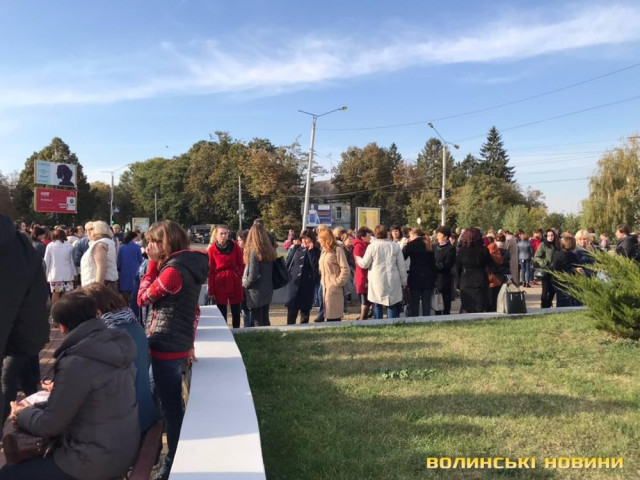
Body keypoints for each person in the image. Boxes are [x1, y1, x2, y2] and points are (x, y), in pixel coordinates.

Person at [0, 293, 138, 480]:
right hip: (121, 449)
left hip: (93, 461)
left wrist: (22, 414)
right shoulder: (115, 343)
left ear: (63, 327)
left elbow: (50, 425)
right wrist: (33, 409)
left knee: (8, 474)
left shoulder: (77, 360)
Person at [137, 220, 208, 480]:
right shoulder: (186, 265)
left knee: (170, 409)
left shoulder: (172, 271)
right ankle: (158, 454)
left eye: (153, 242)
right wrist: (189, 343)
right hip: (175, 344)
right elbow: (194, 311)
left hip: (166, 345)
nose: (148, 247)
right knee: (161, 400)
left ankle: (171, 464)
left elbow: (142, 298)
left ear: (165, 243)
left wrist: (151, 265)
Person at [80, 283, 160, 433]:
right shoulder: (134, 325)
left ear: (96, 311)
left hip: (128, 421)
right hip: (146, 412)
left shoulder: (108, 336)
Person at [0, 216, 50, 428]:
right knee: (12, 378)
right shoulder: (22, 247)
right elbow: (36, 301)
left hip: (20, 335)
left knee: (9, 378)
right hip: (23, 336)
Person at [356, 225, 407, 319]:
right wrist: (404, 281)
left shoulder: (372, 246)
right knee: (391, 302)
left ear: (375, 234)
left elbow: (365, 264)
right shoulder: (395, 246)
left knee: (377, 302)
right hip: (392, 277)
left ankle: (377, 323)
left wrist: (358, 258)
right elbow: (401, 266)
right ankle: (392, 323)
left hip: (377, 279)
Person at [207, 224, 244, 328]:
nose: (224, 236)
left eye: (226, 233)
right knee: (222, 309)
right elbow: (211, 272)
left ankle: (237, 330)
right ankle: (223, 330)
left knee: (236, 309)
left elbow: (241, 264)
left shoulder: (235, 246)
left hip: (234, 279)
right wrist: (211, 291)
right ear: (216, 235)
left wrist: (238, 275)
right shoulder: (212, 250)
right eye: (221, 233)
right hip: (220, 281)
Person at [284, 229, 320, 324]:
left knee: (305, 313)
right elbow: (288, 263)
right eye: (303, 238)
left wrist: (311, 252)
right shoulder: (296, 248)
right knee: (291, 313)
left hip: (307, 285)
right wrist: (294, 248)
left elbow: (315, 267)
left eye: (307, 238)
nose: (304, 240)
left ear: (312, 239)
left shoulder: (316, 251)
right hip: (293, 284)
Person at [455, 227, 494, 313]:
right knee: (480, 307)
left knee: (467, 307)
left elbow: (457, 268)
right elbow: (492, 265)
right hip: (481, 281)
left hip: (466, 282)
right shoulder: (484, 250)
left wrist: (458, 282)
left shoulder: (462, 251)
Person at [317, 226, 350, 322]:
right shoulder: (324, 251)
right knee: (327, 315)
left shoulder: (337, 250)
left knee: (334, 317)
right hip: (325, 287)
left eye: (320, 238)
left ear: (326, 239)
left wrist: (338, 282)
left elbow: (345, 268)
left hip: (334, 287)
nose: (318, 240)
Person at [402, 228, 436, 317]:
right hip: (428, 276)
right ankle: (426, 319)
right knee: (426, 302)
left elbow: (402, 256)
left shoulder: (411, 245)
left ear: (414, 235)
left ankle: (415, 319)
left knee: (415, 302)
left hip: (415, 276)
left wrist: (405, 245)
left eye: (410, 236)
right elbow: (433, 263)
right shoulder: (428, 244)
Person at [80, 220, 118, 289]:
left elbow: (101, 268)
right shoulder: (108, 243)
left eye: (91, 229)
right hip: (108, 283)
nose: (88, 232)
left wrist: (97, 288)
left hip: (97, 284)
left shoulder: (99, 245)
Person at [44, 228, 77, 306]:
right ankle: (68, 310)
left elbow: (47, 261)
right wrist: (75, 273)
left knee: (55, 294)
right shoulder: (69, 245)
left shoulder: (50, 246)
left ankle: (54, 311)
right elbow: (72, 261)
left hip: (55, 274)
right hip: (68, 274)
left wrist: (45, 274)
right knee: (68, 295)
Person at [534, 229, 560, 308]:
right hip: (546, 271)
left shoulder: (557, 245)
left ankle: (548, 304)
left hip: (555, 271)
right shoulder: (543, 244)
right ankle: (544, 306)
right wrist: (545, 262)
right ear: (546, 236)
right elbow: (536, 257)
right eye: (548, 235)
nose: (550, 237)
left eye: (552, 235)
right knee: (545, 290)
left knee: (553, 290)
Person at [434, 226, 456, 315]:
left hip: (444, 278)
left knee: (445, 299)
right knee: (436, 300)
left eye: (439, 235)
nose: (437, 237)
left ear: (445, 236)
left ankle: (446, 315)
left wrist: (435, 266)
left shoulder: (450, 248)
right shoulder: (435, 247)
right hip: (435, 277)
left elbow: (448, 263)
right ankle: (437, 315)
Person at [552, 236, 579, 307]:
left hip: (558, 281)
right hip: (563, 281)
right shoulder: (566, 255)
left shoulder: (561, 253)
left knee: (562, 300)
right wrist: (574, 270)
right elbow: (563, 270)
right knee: (564, 302)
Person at [353, 227, 373, 320]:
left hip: (366, 275)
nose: (370, 238)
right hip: (362, 275)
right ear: (362, 237)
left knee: (368, 299)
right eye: (368, 236)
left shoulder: (367, 245)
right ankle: (362, 318)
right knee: (364, 299)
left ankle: (365, 315)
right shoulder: (359, 246)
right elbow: (361, 263)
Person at [117, 230, 143, 303]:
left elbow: (119, 262)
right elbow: (140, 260)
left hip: (124, 272)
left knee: (124, 294)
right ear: (133, 238)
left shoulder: (121, 247)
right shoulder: (137, 247)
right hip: (135, 271)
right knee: (135, 292)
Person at [235, 230, 252, 328]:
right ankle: (246, 325)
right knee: (243, 307)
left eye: (240, 240)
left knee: (247, 308)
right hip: (241, 284)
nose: (238, 243)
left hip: (248, 284)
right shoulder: (240, 251)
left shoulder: (250, 253)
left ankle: (248, 326)